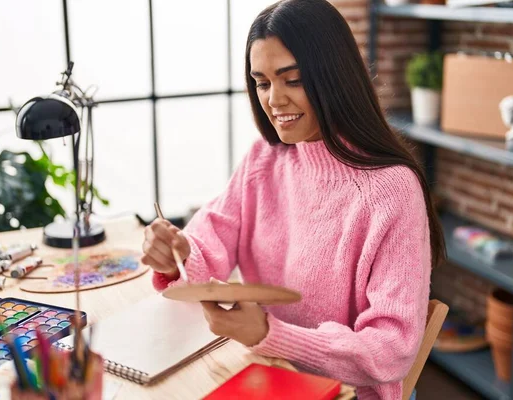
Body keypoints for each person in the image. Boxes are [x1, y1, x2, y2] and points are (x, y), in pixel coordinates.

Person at [140, 0, 446, 398]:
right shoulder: (264, 160)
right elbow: (207, 246)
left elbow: (391, 351)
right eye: (263, 82)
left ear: (334, 78)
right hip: (264, 370)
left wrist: (271, 334)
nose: (274, 100)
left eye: (293, 80)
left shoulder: (391, 190)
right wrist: (176, 254)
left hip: (342, 391)